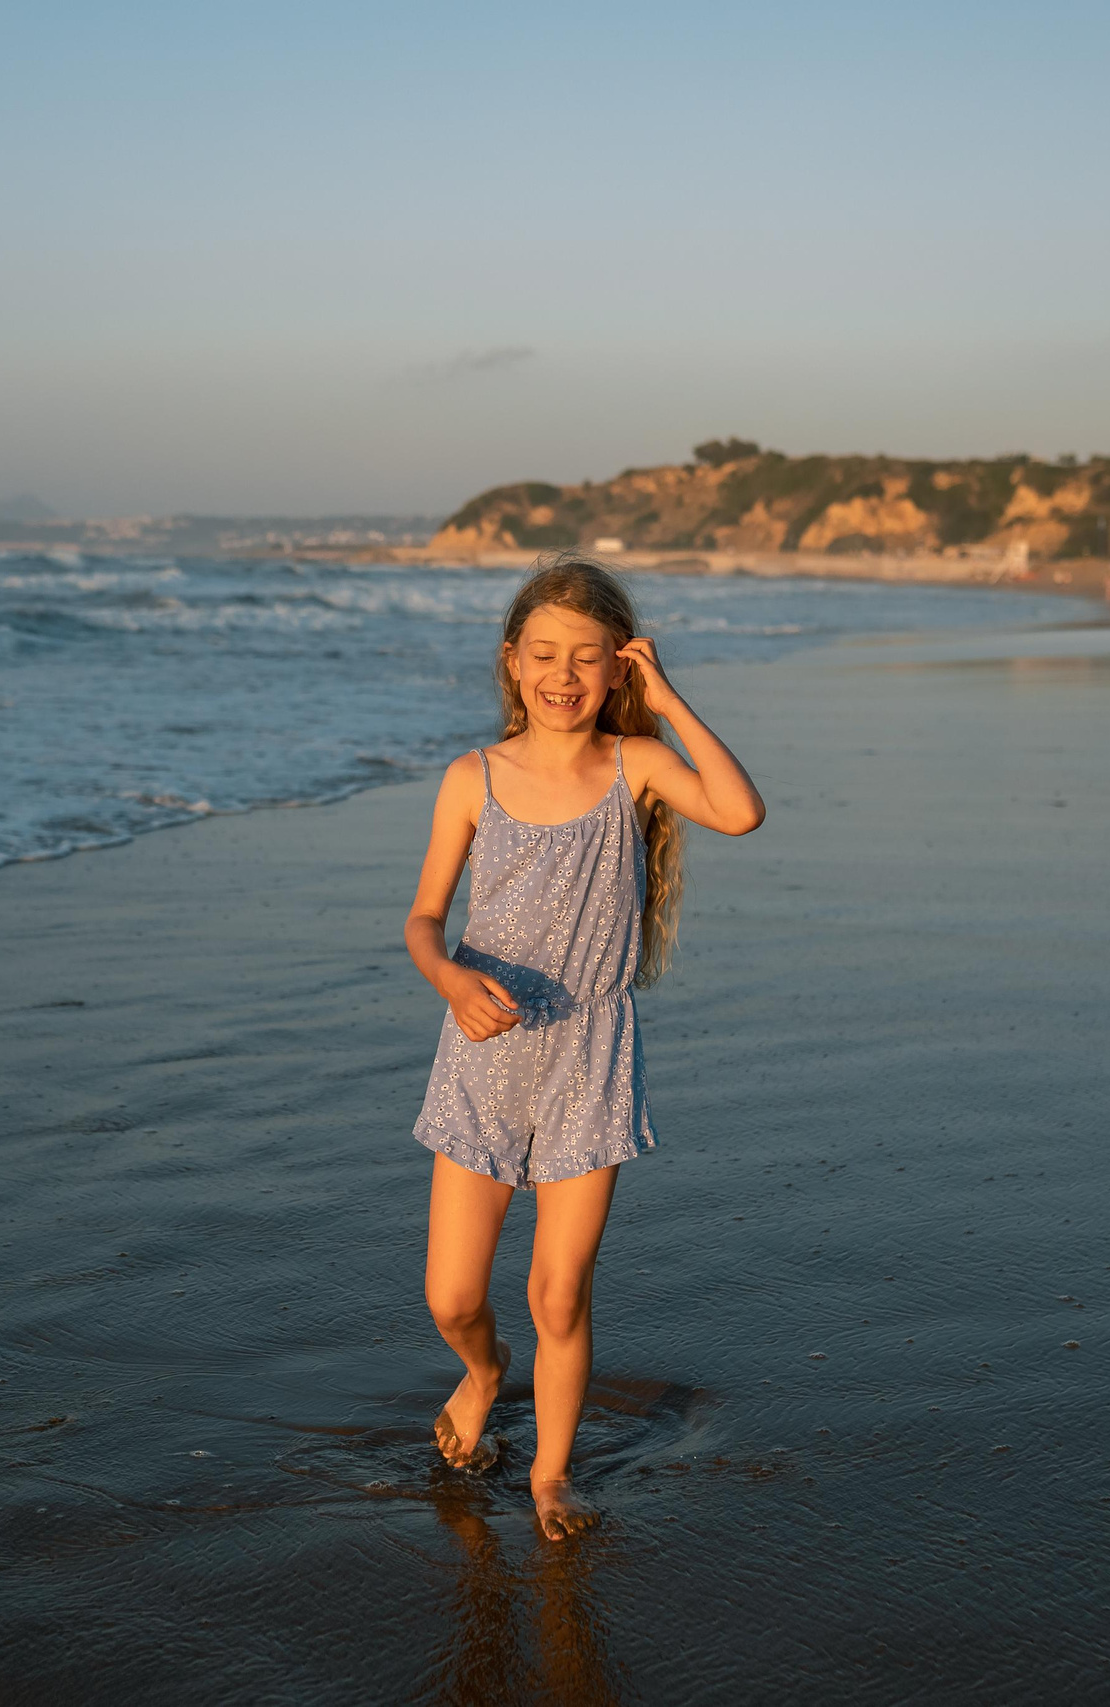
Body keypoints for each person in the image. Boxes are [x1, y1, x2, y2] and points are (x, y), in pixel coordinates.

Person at [404, 555, 765, 1541]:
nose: (565, 675)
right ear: (511, 661)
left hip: (587, 1056)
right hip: (480, 1051)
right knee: (453, 1296)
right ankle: (484, 1373)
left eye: (592, 659)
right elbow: (424, 921)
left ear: (619, 671)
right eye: (547, 654)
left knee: (558, 1292)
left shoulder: (632, 768)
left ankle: (550, 1479)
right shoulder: (470, 778)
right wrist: (447, 980)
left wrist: (670, 699)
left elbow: (738, 811)